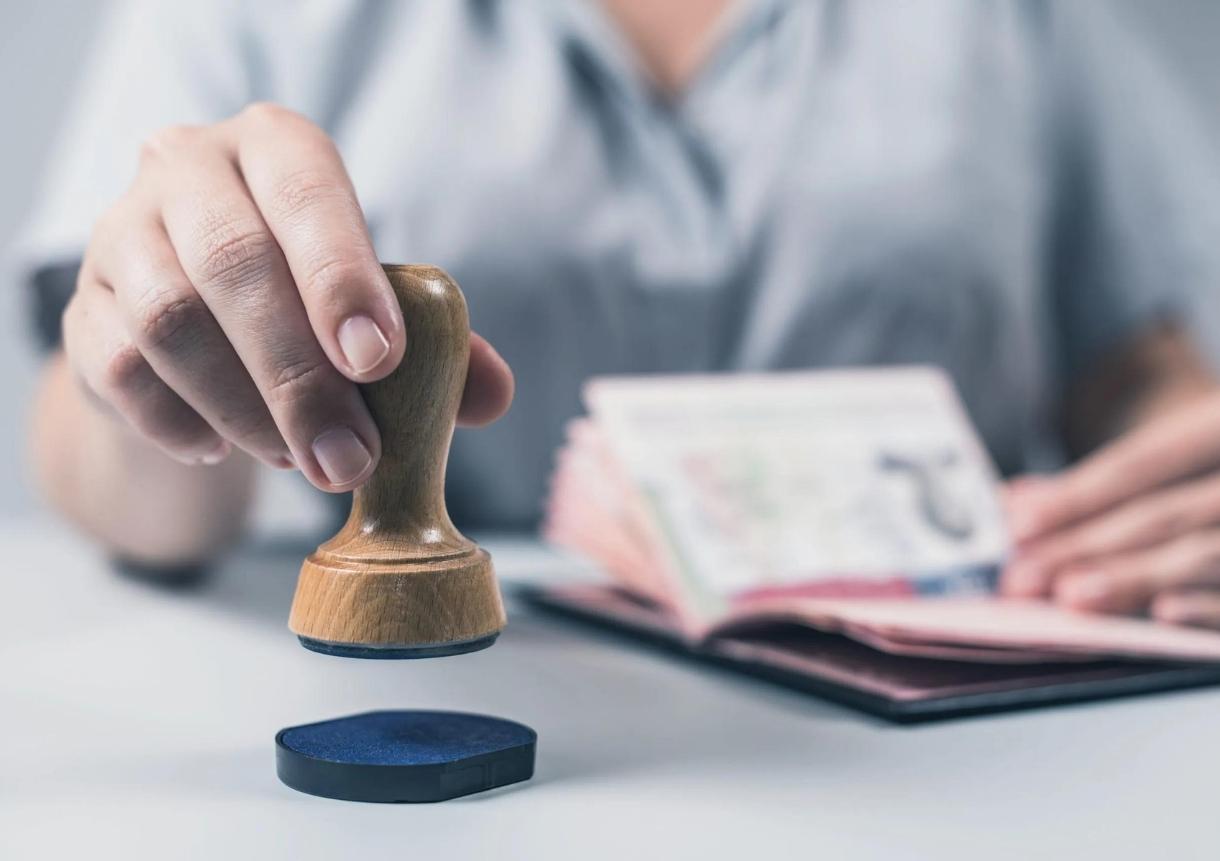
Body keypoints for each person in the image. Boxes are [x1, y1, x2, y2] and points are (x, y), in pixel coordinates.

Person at [18, 1, 1220, 626]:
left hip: (977, 738)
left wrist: (1179, 473)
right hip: (479, 710)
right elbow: (114, 461)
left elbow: (1132, 366)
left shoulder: (1021, 17)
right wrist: (151, 387)